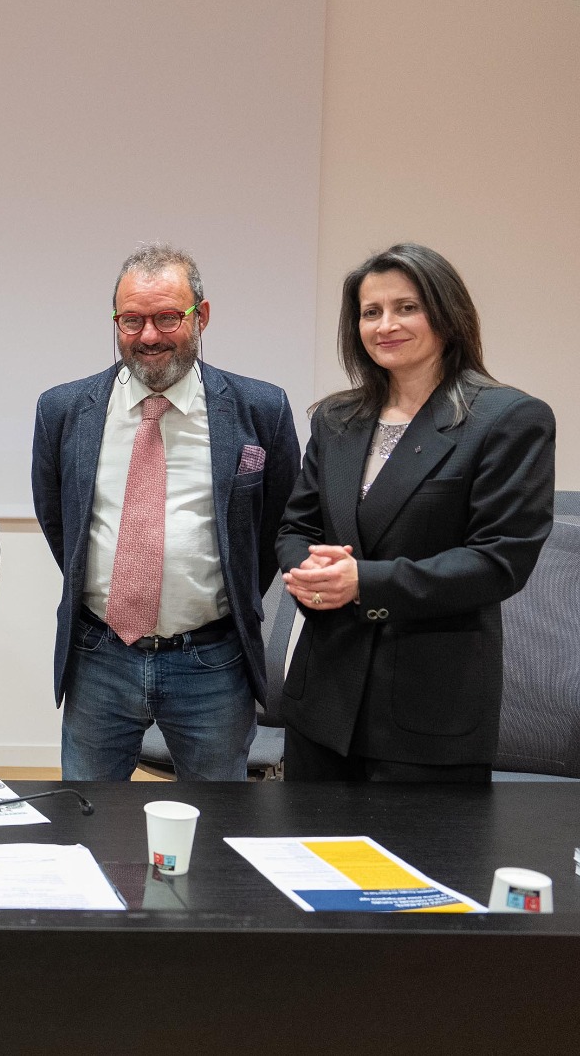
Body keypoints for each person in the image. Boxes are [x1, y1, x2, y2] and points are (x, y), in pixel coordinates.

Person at [277, 243, 555, 782]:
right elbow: (297, 526)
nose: (386, 325)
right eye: (371, 311)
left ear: (447, 314)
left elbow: (500, 561)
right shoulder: (336, 418)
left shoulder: (509, 419)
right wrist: (309, 570)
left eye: (407, 307)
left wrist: (363, 582)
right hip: (322, 700)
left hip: (428, 709)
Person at [32, 243, 300, 781]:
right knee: (88, 814)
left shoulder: (260, 409)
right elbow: (58, 519)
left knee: (217, 820)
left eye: (167, 318)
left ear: (202, 316)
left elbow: (277, 522)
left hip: (212, 662)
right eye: (132, 320)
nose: (149, 335)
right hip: (99, 655)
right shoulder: (63, 410)